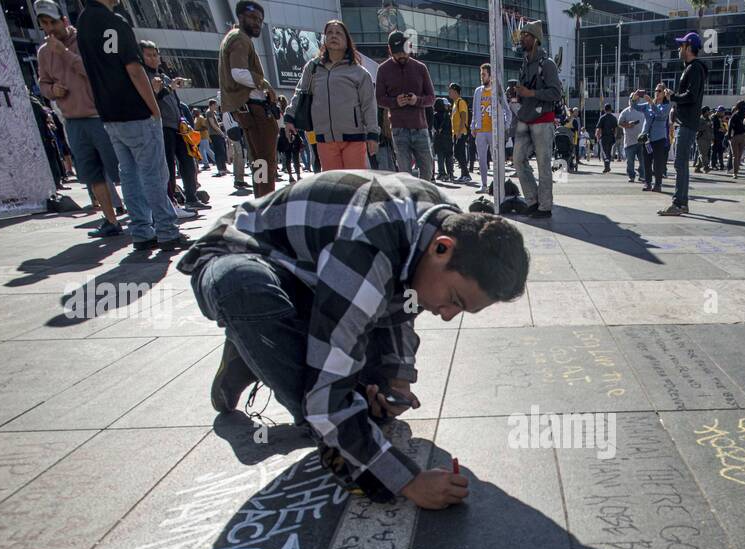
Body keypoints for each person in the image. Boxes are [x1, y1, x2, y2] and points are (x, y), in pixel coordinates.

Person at [180, 170, 529, 509]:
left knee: (371, 409)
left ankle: (254, 349)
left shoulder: (445, 227)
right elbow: (327, 399)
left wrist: (397, 380)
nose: (448, 315)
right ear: (442, 248)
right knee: (328, 406)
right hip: (240, 260)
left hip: (318, 279)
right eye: (455, 299)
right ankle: (255, 334)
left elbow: (401, 297)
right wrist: (406, 481)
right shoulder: (368, 244)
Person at [76, 0, 184, 251]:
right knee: (153, 173)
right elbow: (134, 69)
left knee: (130, 175)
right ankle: (167, 230)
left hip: (109, 113)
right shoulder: (115, 22)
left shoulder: (84, 23)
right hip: (135, 110)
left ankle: (141, 231)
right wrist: (154, 107)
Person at [34, 0, 123, 238]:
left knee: (119, 169)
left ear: (64, 20)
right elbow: (42, 83)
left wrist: (64, 53)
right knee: (92, 173)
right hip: (73, 120)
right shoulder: (43, 52)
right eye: (44, 23)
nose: (49, 28)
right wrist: (53, 91)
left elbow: (93, 70)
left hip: (99, 115)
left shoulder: (83, 39)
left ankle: (142, 216)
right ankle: (111, 220)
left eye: (52, 22)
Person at [291, 20, 377, 173]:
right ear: (324, 39)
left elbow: (369, 105)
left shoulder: (359, 72)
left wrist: (372, 134)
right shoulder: (313, 67)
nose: (333, 36)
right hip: (324, 138)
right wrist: (289, 117)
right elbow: (301, 92)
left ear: (347, 40)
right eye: (329, 33)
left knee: (355, 185)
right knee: (333, 188)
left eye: (338, 33)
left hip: (353, 138)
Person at [219, 1, 278, 198]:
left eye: (260, 20)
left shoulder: (234, 37)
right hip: (254, 108)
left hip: (249, 109)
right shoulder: (240, 39)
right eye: (253, 18)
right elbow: (238, 73)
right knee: (265, 160)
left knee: (259, 160)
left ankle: (261, 200)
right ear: (241, 17)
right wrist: (265, 84)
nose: (257, 23)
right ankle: (265, 202)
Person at [140, 41, 206, 212]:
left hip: (178, 126)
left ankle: (191, 197)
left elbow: (175, 102)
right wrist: (167, 88)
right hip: (161, 126)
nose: (154, 58)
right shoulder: (143, 77)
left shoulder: (163, 76)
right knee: (168, 166)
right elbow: (151, 100)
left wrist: (183, 118)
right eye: (149, 55)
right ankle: (171, 203)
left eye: (155, 55)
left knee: (187, 161)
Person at [511, 20, 562, 219]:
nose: (522, 38)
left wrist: (530, 93)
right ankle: (532, 200)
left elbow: (556, 93)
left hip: (543, 118)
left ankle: (545, 206)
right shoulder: (525, 63)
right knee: (517, 160)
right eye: (522, 35)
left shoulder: (547, 64)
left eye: (526, 35)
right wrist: (518, 93)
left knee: (543, 164)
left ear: (535, 39)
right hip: (526, 117)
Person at [376, 30, 436, 180]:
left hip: (420, 128)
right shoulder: (382, 70)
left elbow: (431, 98)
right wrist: (395, 102)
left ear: (408, 46)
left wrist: (417, 100)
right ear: (390, 50)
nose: (401, 55)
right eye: (396, 53)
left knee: (427, 172)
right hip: (398, 129)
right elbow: (379, 99)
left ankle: (426, 201)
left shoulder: (420, 68)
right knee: (405, 176)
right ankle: (409, 202)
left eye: (403, 50)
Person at [660, 31, 707, 216]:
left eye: (681, 46)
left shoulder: (694, 68)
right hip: (686, 122)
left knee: (680, 164)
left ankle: (678, 203)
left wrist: (673, 96)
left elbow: (691, 95)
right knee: (681, 164)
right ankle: (682, 203)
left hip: (687, 122)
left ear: (688, 47)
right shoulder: (694, 68)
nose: (679, 49)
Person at [472, 63, 509, 194]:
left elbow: (507, 110)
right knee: (481, 160)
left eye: (484, 74)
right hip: (481, 130)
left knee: (496, 159)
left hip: (494, 131)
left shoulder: (497, 90)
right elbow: (475, 111)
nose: (482, 77)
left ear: (490, 76)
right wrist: (473, 126)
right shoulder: (478, 91)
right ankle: (484, 185)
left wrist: (505, 126)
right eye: (481, 74)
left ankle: (499, 185)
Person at [636, 85, 671, 192]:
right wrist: (633, 97)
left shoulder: (667, 105)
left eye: (659, 91)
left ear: (664, 93)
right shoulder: (647, 105)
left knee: (658, 163)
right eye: (655, 90)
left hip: (659, 138)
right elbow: (635, 107)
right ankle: (647, 183)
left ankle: (658, 184)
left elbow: (661, 114)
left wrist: (651, 103)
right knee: (646, 161)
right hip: (647, 139)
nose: (656, 92)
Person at [618, 92, 645, 183]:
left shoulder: (643, 110)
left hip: (642, 140)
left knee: (643, 160)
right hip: (629, 141)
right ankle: (631, 175)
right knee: (630, 161)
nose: (633, 101)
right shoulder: (625, 112)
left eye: (636, 99)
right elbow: (619, 123)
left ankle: (642, 175)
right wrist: (627, 125)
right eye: (632, 99)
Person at [448, 82, 472, 182]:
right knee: (458, 153)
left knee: (459, 153)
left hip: (461, 132)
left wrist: (459, 132)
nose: (449, 93)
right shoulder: (454, 103)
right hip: (456, 133)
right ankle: (464, 174)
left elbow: (463, 117)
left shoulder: (460, 102)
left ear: (455, 91)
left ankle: (466, 174)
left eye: (450, 91)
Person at [431, 96, 454, 180]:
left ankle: (442, 173)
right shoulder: (447, 115)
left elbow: (435, 127)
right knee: (449, 156)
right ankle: (450, 173)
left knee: (440, 157)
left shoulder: (435, 115)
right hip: (448, 138)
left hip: (439, 138)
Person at [204, 99, 228, 174]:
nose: (216, 106)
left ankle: (223, 168)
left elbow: (215, 124)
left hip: (217, 134)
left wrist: (222, 123)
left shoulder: (213, 113)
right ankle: (220, 169)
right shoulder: (209, 113)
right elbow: (213, 125)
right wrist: (221, 132)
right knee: (218, 152)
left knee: (221, 151)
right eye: (215, 105)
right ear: (212, 105)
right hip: (214, 134)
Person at [597, 103, 618, 173]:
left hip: (604, 137)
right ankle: (607, 166)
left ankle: (606, 167)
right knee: (608, 152)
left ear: (605, 110)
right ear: (611, 109)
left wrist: (598, 136)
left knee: (604, 152)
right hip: (611, 137)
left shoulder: (602, 117)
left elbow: (599, 128)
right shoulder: (614, 118)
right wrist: (614, 136)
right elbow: (616, 129)